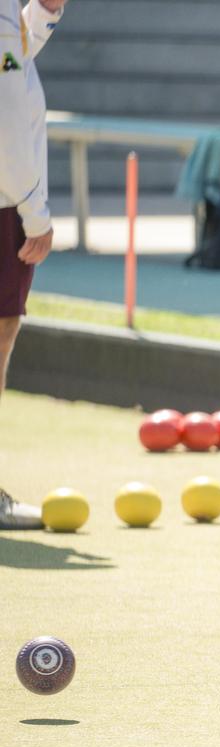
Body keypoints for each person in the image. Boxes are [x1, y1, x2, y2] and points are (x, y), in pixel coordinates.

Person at [0, 0, 67, 529]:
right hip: (4, 207)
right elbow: (7, 120)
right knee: (0, 334)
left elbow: (15, 57)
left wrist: (42, 13)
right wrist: (35, 214)